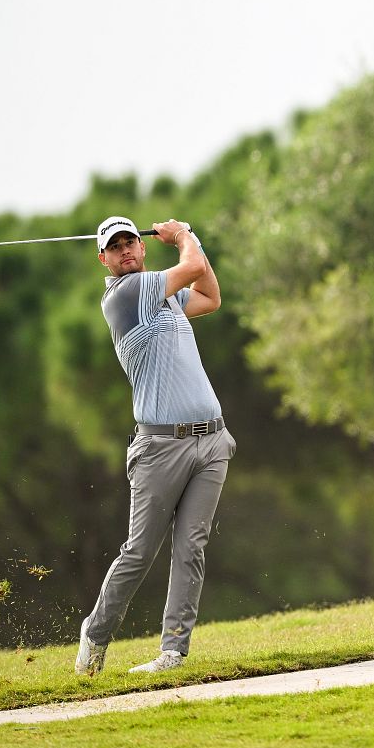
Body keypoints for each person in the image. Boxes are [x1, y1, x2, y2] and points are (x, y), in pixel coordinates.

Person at [75, 216, 236, 675]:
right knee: (140, 550)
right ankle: (97, 632)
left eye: (131, 242)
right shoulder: (125, 295)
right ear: (103, 258)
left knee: (192, 548)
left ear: (143, 248)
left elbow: (210, 296)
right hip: (160, 449)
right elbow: (190, 269)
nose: (125, 250)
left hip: (211, 441)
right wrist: (185, 236)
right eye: (115, 246)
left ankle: (172, 653)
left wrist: (190, 241)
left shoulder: (163, 300)